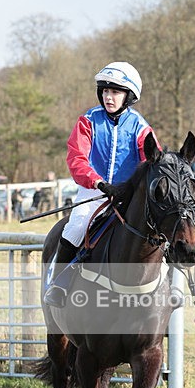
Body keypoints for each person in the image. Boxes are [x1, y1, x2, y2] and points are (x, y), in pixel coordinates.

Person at [44, 61, 157, 307]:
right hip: (94, 191)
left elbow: (152, 161)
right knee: (75, 226)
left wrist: (135, 189)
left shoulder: (140, 127)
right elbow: (77, 158)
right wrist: (99, 183)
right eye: (105, 91)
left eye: (115, 92)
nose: (108, 97)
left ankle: (165, 289)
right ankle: (59, 284)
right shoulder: (88, 121)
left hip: (128, 196)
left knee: (159, 230)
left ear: (129, 96)